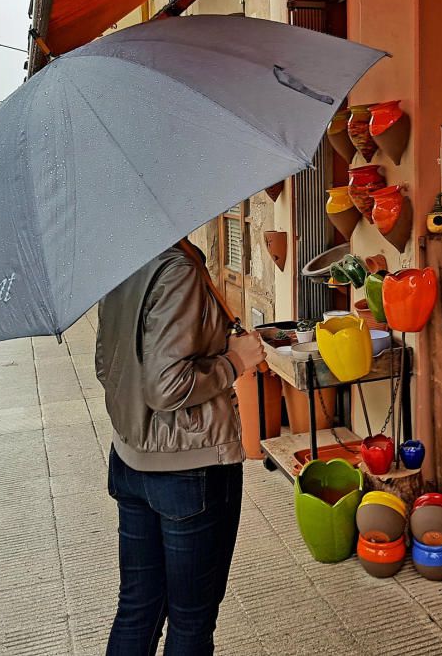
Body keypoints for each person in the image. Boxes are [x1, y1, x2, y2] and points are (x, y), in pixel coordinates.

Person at [96, 238, 265, 656]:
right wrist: (234, 362)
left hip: (130, 457)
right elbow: (167, 386)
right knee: (191, 621)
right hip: (191, 468)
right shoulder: (179, 269)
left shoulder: (120, 258)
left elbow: (106, 364)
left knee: (138, 608)